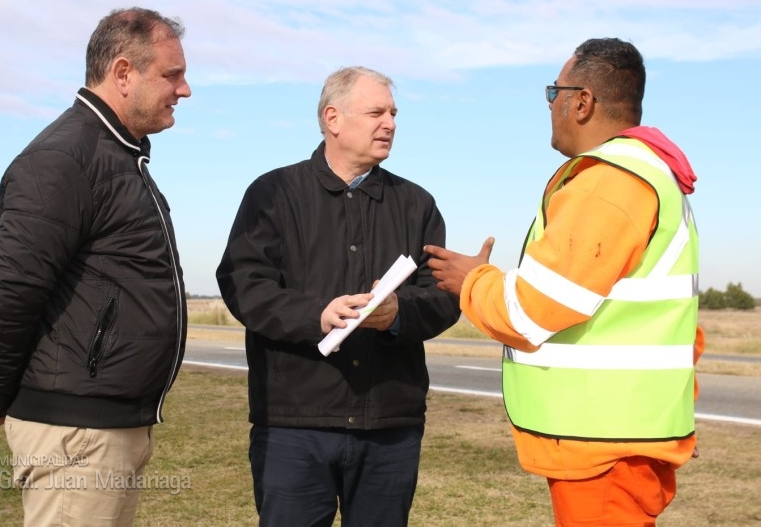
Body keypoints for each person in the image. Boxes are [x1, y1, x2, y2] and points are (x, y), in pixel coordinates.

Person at [425, 38, 704, 527]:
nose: (549, 104)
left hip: (604, 447)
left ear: (582, 102)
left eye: (553, 91)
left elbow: (533, 310)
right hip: (625, 437)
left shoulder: (610, 182)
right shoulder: (650, 174)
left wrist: (473, 280)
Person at [0, 7, 191, 526]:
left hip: (105, 428)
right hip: (77, 434)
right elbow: (7, 289)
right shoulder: (66, 159)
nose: (184, 90)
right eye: (172, 75)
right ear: (122, 73)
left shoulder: (118, 156)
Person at [216, 66, 460, 527]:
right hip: (294, 425)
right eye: (376, 112)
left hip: (390, 427)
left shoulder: (417, 204)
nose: (389, 123)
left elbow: (444, 295)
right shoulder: (273, 193)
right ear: (333, 118)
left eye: (393, 113)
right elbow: (242, 282)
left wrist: (397, 315)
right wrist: (316, 314)